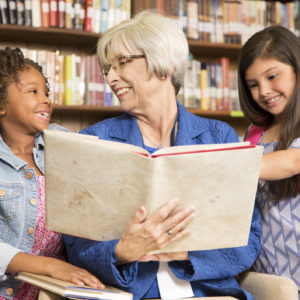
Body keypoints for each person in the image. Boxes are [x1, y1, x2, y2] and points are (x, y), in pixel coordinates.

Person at [64, 11, 261, 300]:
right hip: (127, 292)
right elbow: (75, 242)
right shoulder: (94, 141)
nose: (111, 78)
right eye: (107, 69)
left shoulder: (219, 137)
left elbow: (247, 237)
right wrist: (121, 251)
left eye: (122, 62)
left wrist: (185, 252)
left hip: (207, 293)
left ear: (165, 64)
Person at [0, 47, 104, 300]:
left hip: (51, 293)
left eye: (46, 92)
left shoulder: (63, 143)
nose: (46, 99)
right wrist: (52, 266)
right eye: (33, 92)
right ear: (2, 104)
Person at [238, 25, 300, 297]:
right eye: (253, 84)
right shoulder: (255, 133)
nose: (264, 91)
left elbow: (292, 161)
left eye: (272, 76)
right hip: (268, 272)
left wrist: (224, 166)